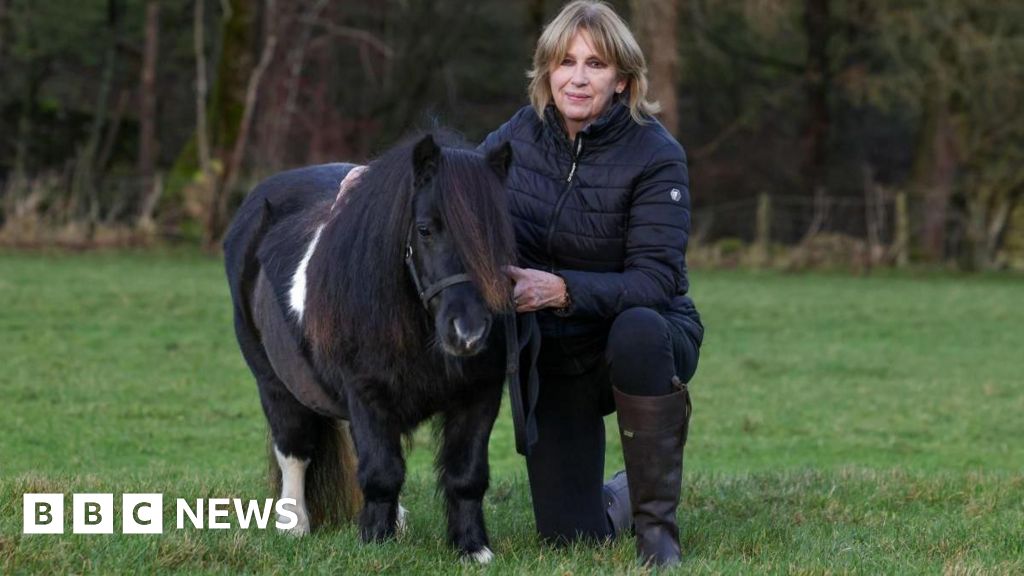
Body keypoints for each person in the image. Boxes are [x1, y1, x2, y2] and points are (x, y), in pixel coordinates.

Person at [479, 0, 703, 567]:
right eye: (566, 61)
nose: (577, 78)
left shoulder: (657, 155)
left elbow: (655, 281)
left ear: (622, 79)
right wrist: (378, 181)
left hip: (642, 339)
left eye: (596, 64)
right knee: (571, 538)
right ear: (547, 70)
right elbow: (457, 184)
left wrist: (560, 290)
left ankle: (657, 530)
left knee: (638, 328)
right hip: (554, 355)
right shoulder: (520, 133)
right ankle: (626, 490)